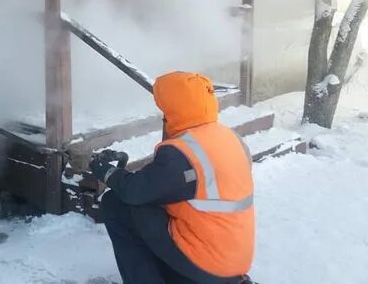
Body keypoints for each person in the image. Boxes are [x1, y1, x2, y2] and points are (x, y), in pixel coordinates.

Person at [90, 72, 255, 284]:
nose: (163, 116)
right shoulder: (230, 137)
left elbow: (135, 191)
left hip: (208, 261)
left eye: (165, 110)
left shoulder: (183, 153)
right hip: (235, 257)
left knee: (117, 204)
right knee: (153, 208)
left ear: (174, 111)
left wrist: (106, 171)